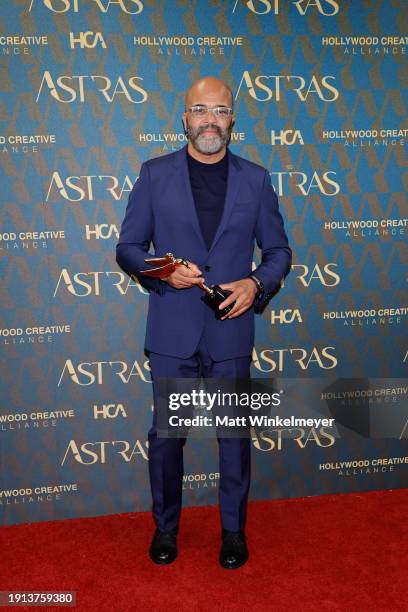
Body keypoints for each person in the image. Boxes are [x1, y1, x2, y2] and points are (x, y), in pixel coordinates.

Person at [116, 76, 292, 569]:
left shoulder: (256, 179)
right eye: (200, 110)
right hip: (172, 333)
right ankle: (165, 528)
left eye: (219, 110)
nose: (209, 120)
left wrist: (256, 284)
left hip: (231, 330)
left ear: (233, 119)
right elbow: (128, 248)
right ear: (185, 119)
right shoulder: (155, 174)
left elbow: (278, 250)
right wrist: (163, 271)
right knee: (168, 437)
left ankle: (233, 532)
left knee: (234, 437)